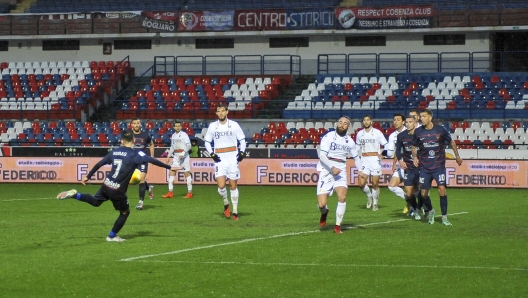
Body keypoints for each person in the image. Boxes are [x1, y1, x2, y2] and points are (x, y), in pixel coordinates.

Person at [56, 130, 181, 242]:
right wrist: (170, 167)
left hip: (107, 184)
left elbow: (99, 164)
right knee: (125, 213)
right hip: (118, 190)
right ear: (133, 140)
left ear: (121, 140)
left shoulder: (115, 151)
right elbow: (152, 160)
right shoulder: (136, 154)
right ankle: (111, 236)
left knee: (95, 202)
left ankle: (75, 195)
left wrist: (88, 176)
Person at [412, 109, 463, 225]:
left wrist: (457, 157)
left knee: (442, 189)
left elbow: (452, 142)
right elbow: (414, 147)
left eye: (424, 116)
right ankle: (431, 210)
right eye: (421, 116)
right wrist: (415, 157)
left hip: (438, 166)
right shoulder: (418, 131)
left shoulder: (440, 130)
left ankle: (444, 217)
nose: (422, 118)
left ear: (430, 117)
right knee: (423, 193)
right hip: (424, 167)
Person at [317, 116, 362, 234]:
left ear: (348, 126)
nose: (341, 125)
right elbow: (322, 156)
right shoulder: (328, 137)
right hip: (326, 169)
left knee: (342, 197)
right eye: (340, 122)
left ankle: (337, 226)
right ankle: (324, 212)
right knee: (321, 205)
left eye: (345, 123)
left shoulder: (350, 141)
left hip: (340, 170)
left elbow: (356, 158)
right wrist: (332, 168)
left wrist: (361, 171)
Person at [204, 103, 246, 220]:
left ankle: (235, 212)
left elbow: (242, 140)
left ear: (227, 112)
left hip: (232, 159)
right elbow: (207, 142)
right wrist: (212, 153)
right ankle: (226, 202)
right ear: (216, 113)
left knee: (233, 185)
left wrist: (242, 152)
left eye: (223, 110)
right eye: (219, 111)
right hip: (220, 159)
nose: (221, 113)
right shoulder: (213, 126)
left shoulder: (234, 125)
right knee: (221, 186)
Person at [355, 114, 388, 211]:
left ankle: (375, 204)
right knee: (361, 184)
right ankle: (369, 195)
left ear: (371, 122)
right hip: (364, 159)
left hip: (375, 160)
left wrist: (384, 153)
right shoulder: (359, 134)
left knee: (375, 183)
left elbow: (385, 144)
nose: (366, 121)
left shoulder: (377, 133)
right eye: (364, 120)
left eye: (368, 120)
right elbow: (357, 147)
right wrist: (353, 153)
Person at [395, 115, 422, 221]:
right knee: (409, 192)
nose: (408, 124)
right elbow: (398, 150)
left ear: (415, 123)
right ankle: (416, 209)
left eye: (410, 122)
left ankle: (424, 207)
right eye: (406, 122)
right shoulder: (401, 136)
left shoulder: (421, 134)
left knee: (422, 191)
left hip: (421, 166)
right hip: (409, 167)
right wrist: (400, 160)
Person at [383, 113, 409, 213]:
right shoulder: (392, 136)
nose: (396, 122)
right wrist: (394, 163)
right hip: (400, 164)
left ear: (403, 122)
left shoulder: (409, 132)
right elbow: (395, 151)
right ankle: (409, 201)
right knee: (392, 186)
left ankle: (418, 206)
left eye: (398, 120)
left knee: (412, 189)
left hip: (410, 164)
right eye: (394, 120)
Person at [162, 121, 193, 199]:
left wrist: (183, 153)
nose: (177, 127)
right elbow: (172, 147)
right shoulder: (173, 136)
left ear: (181, 127)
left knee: (186, 173)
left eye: (179, 126)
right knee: (171, 172)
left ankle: (189, 192)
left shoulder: (184, 135)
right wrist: (168, 156)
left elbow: (189, 145)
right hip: (176, 156)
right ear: (174, 127)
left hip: (184, 156)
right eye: (176, 126)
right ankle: (170, 192)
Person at [130, 118, 155, 210]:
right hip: (131, 160)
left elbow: (151, 144)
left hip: (142, 160)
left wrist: (152, 156)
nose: (136, 125)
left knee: (141, 180)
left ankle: (140, 203)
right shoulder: (128, 135)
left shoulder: (145, 135)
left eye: (138, 123)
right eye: (134, 123)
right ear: (131, 125)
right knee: (133, 179)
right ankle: (149, 188)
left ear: (140, 125)